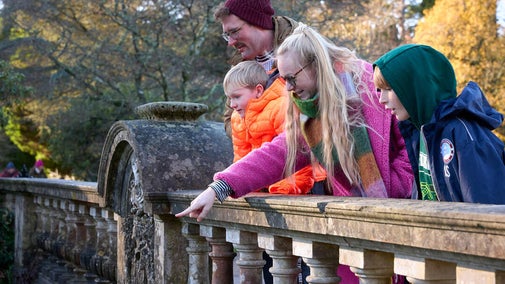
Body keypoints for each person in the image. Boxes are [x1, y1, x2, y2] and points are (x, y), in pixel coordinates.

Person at [177, 24, 414, 283]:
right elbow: (276, 154)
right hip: (351, 228)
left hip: (399, 219)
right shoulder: (311, 115)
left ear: (314, 65)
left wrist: (396, 187)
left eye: (291, 78)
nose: (287, 88)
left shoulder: (372, 85)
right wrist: (219, 188)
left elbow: (410, 139)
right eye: (283, 79)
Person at [373, 43, 505, 203]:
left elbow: (489, 213)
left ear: (416, 87)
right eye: (380, 90)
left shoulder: (463, 135)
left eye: (389, 89)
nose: (381, 99)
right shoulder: (419, 133)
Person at [224, 60, 325, 195]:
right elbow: (242, 155)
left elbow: (299, 152)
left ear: (258, 90)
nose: (232, 104)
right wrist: (241, 183)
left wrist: (291, 186)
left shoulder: (280, 106)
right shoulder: (237, 118)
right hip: (270, 182)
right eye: (230, 98)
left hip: (308, 183)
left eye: (236, 97)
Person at [214, 0, 298, 137]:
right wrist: (256, 132)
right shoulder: (239, 65)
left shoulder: (304, 49)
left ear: (259, 22)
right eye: (227, 35)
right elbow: (229, 119)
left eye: (234, 31)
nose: (230, 42)